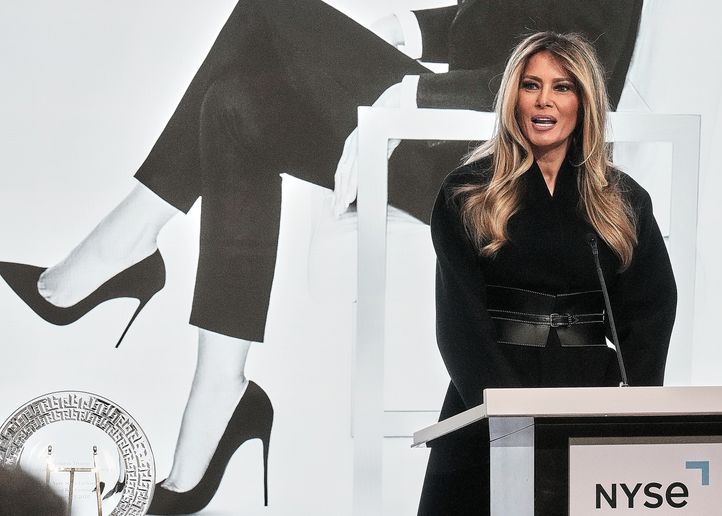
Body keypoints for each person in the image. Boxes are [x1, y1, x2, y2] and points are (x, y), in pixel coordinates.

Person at [0, 1, 643, 514]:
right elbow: (498, 27)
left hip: (505, 173)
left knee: (265, 11)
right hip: (454, 143)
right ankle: (221, 388)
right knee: (235, 108)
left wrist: (419, 97)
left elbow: (585, 81)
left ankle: (127, 246)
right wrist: (407, 28)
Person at [417, 31, 677, 515]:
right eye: (530, 85)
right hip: (487, 401)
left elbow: (652, 311)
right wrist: (512, 422)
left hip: (588, 403)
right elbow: (460, 324)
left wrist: (631, 414)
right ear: (512, 97)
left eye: (562, 87)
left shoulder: (623, 200)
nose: (544, 100)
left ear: (584, 101)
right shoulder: (467, 193)